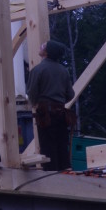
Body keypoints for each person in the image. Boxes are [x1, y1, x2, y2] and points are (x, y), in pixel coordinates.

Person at [27, 39, 75, 171]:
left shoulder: (38, 70)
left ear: (47, 52)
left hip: (45, 114)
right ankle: (66, 173)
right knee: (61, 146)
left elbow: (32, 93)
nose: (41, 45)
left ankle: (51, 176)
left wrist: (36, 104)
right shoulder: (63, 71)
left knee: (48, 148)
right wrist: (58, 101)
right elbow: (70, 95)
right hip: (61, 114)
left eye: (44, 45)